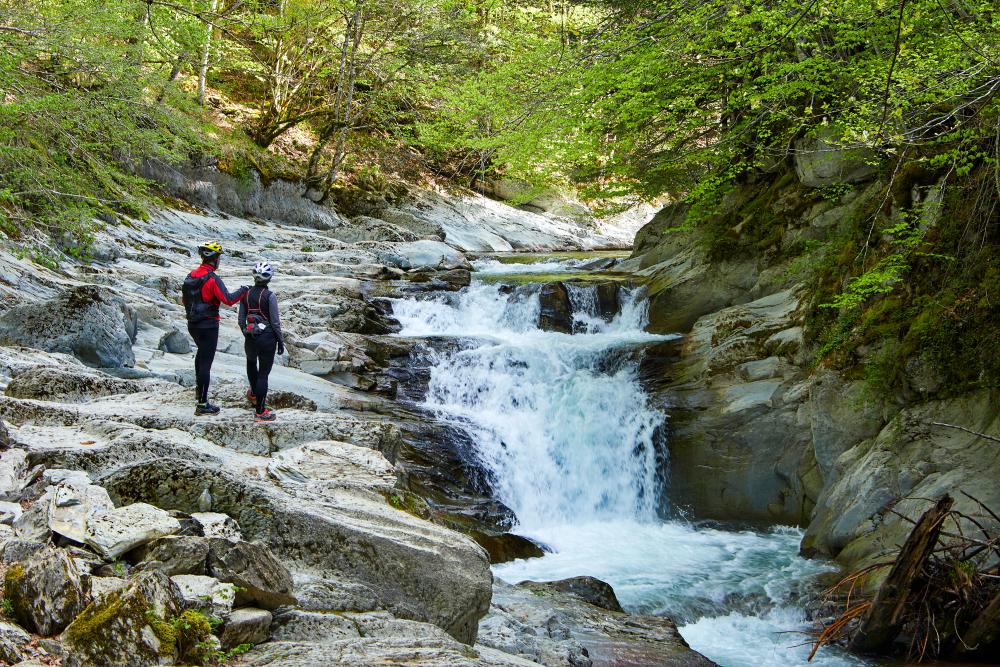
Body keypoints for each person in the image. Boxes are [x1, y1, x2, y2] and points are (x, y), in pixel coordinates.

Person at [182, 242, 249, 416]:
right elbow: (228, 299)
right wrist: (244, 290)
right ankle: (202, 403)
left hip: (192, 323)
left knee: (200, 356)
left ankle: (199, 392)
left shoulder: (191, 276)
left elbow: (185, 300)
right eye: (219, 258)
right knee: (206, 362)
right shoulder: (212, 278)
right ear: (215, 259)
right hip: (209, 324)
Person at [238, 261, 285, 423]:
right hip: (267, 338)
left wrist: (246, 333)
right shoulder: (270, 296)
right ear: (269, 279)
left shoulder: (245, 294)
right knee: (263, 375)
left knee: (251, 363)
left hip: (250, 336)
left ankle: (252, 394)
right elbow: (275, 322)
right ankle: (260, 412)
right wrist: (280, 342)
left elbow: (240, 320)